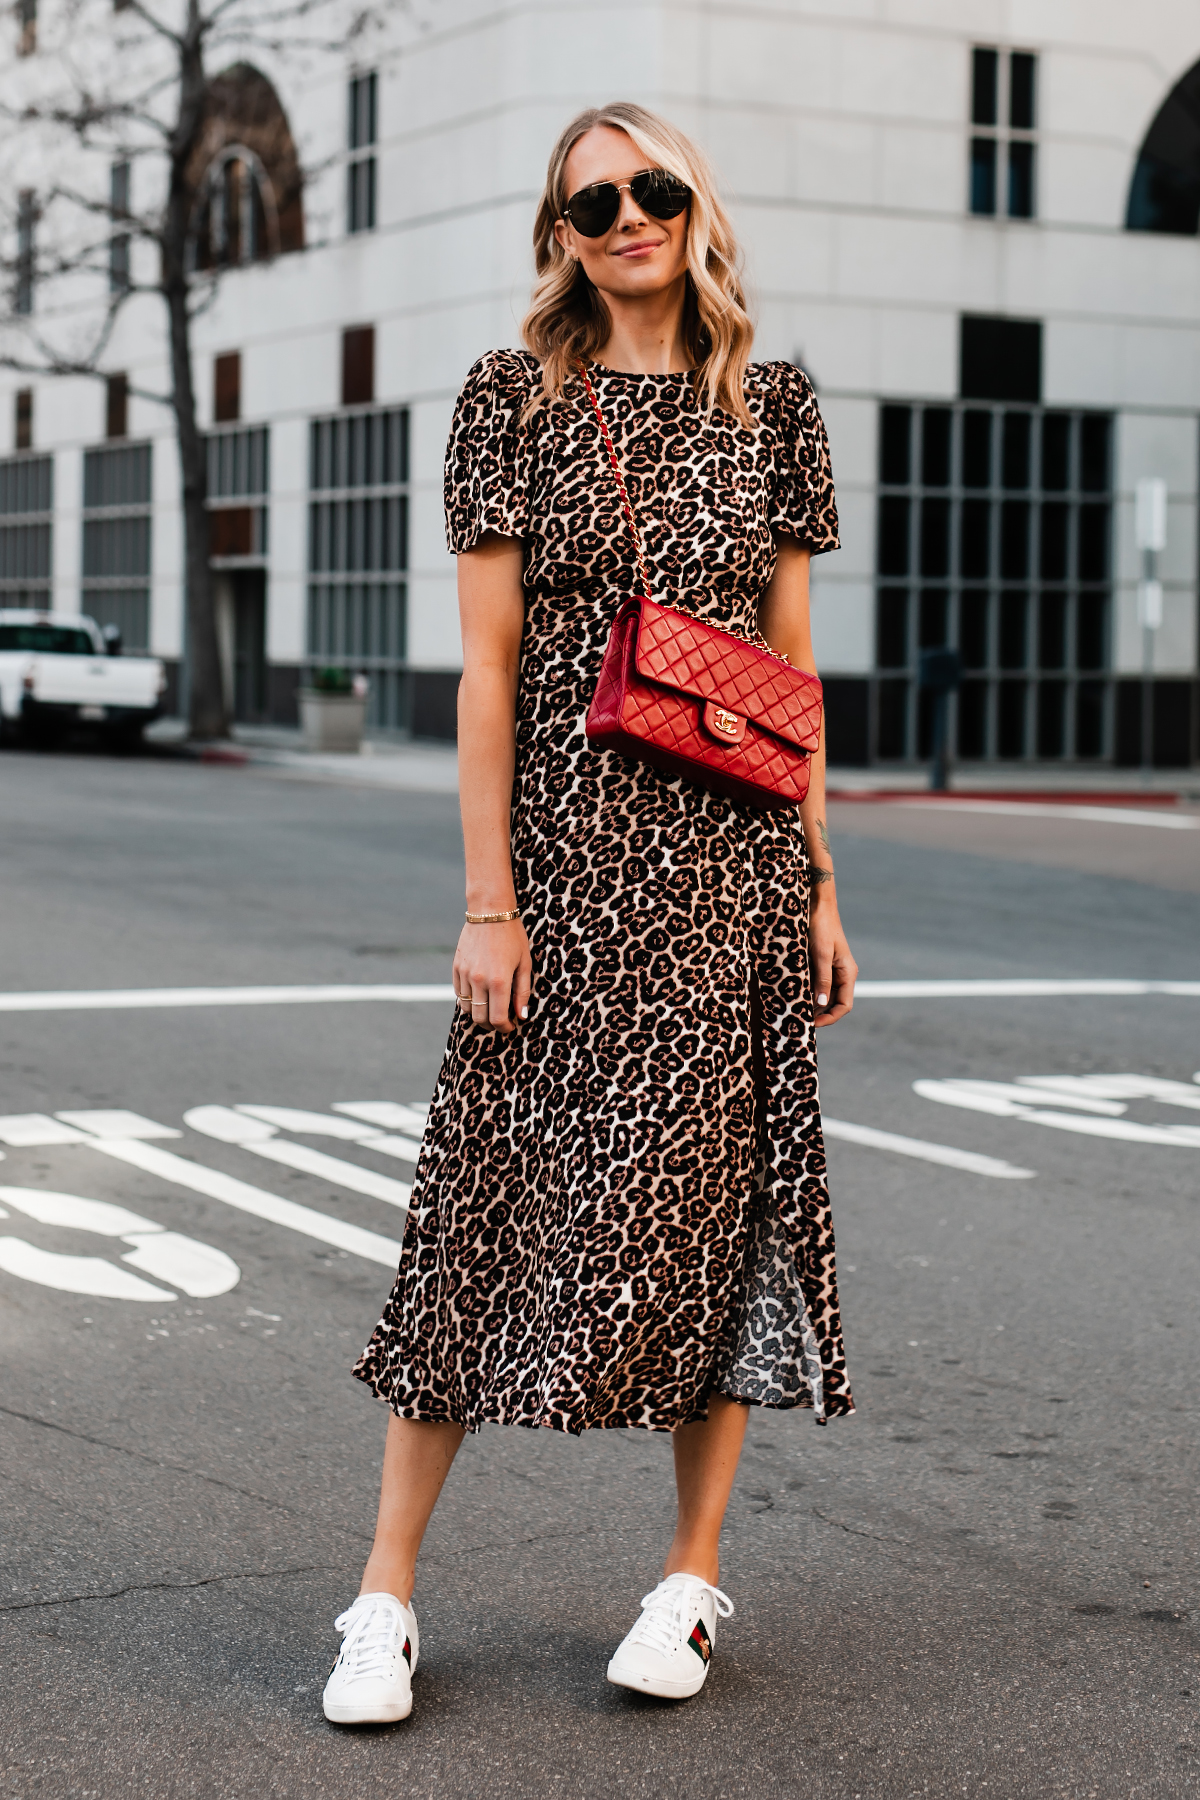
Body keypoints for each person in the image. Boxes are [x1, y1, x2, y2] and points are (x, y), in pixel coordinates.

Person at [322, 100, 858, 1726]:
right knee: (478, 1211)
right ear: (560, 235)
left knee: (723, 1214)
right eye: (594, 201)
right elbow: (487, 675)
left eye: (655, 188)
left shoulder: (775, 406)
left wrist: (823, 879)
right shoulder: (510, 399)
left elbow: (793, 672)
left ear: (699, 208)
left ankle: (690, 1578)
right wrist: (490, 903)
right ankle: (382, 1600)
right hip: (562, 871)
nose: (629, 216)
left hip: (731, 881)